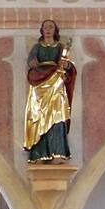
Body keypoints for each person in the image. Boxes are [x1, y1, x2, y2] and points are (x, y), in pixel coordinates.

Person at [24, 19, 77, 164]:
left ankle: (58, 153)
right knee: (39, 117)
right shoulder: (37, 47)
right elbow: (31, 61)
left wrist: (66, 65)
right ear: (41, 30)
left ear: (55, 30)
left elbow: (68, 66)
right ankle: (39, 153)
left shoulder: (60, 47)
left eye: (51, 27)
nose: (48, 29)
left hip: (56, 81)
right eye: (45, 27)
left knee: (57, 116)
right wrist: (32, 62)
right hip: (40, 83)